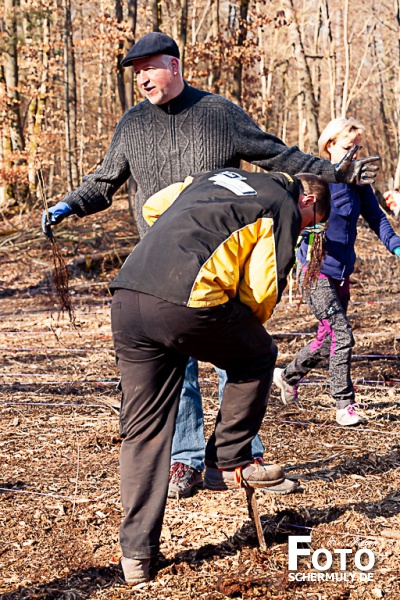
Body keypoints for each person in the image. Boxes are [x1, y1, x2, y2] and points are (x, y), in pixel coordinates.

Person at [41, 32, 380, 498]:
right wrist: (70, 205)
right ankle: (184, 460)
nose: (141, 78)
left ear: (175, 66)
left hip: (229, 263)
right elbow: (104, 180)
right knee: (175, 368)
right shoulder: (133, 125)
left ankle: (242, 453)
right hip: (162, 269)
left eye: (149, 67)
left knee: (239, 356)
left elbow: (277, 153)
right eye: (135, 71)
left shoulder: (219, 114)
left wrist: (334, 172)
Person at [107, 167, 331, 584]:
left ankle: (136, 557)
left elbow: (155, 206)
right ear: (308, 201)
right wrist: (235, 306)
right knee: (259, 355)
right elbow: (261, 293)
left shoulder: (215, 177)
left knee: (145, 432)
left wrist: (183, 250)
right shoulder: (280, 204)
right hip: (186, 303)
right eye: (309, 227)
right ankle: (226, 460)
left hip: (129, 295)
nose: (304, 235)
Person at [273, 117, 400, 425]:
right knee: (343, 333)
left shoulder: (359, 184)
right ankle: (344, 404)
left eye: (358, 148)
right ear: (330, 145)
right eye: (348, 146)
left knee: (329, 339)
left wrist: (396, 245)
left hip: (342, 273)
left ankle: (288, 376)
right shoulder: (313, 179)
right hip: (315, 270)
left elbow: (377, 218)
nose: (354, 153)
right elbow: (290, 218)